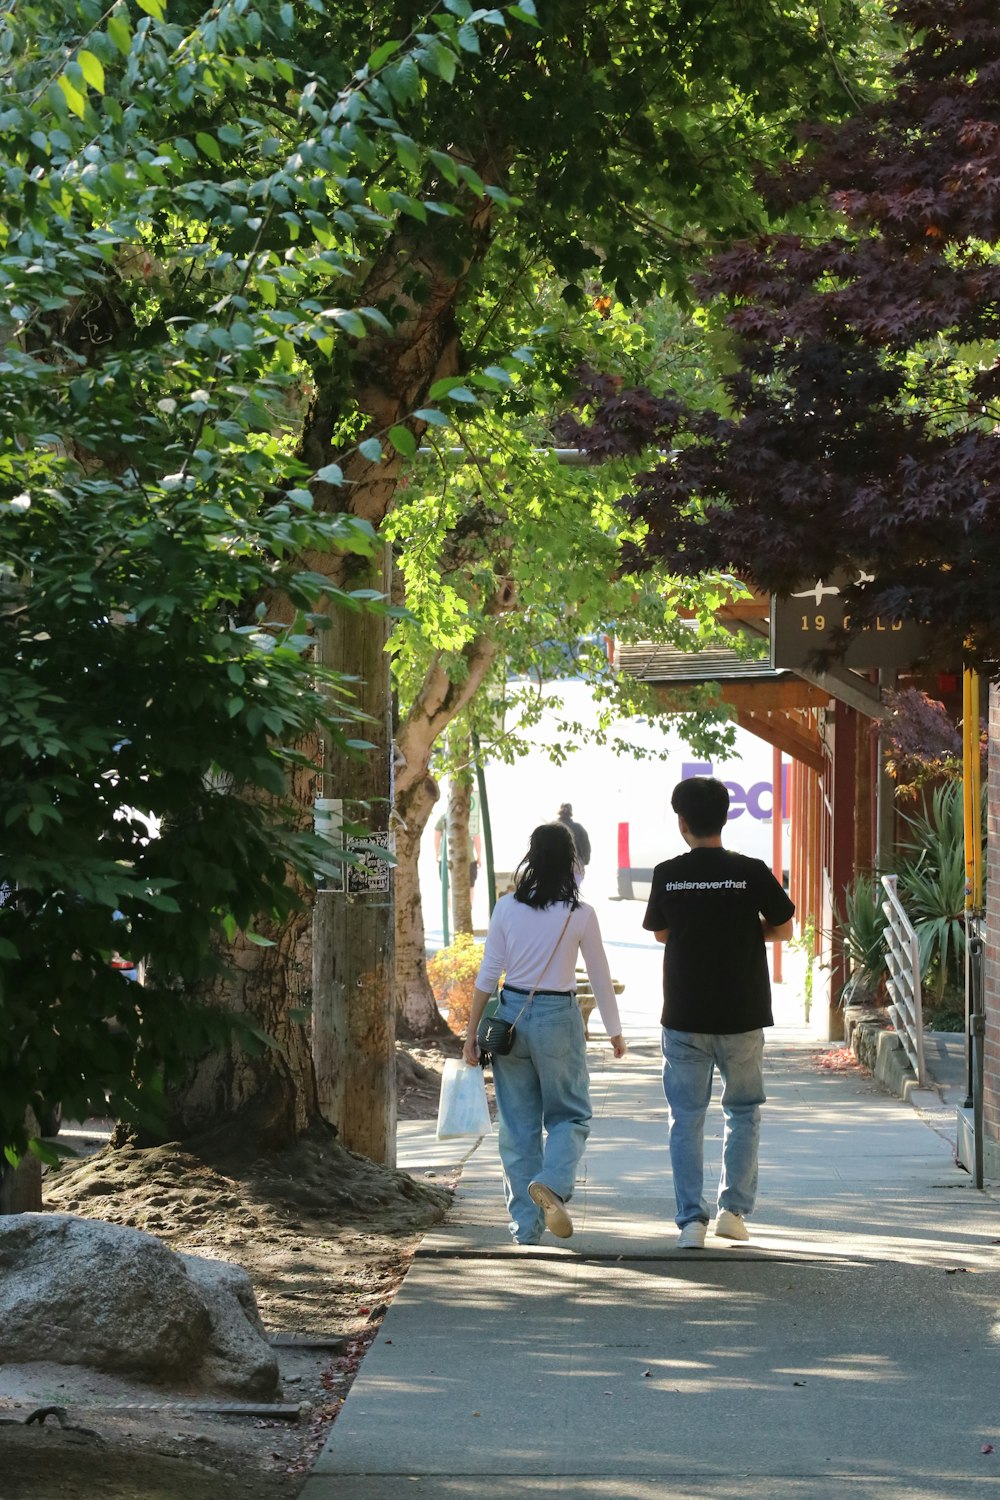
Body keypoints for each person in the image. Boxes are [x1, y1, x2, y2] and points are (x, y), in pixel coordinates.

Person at [642, 776, 794, 1249]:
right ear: (724, 817)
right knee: (744, 1112)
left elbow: (661, 933)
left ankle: (691, 1222)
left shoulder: (668, 873)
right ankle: (733, 1212)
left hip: (685, 1014)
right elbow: (785, 928)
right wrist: (749, 933)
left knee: (686, 1117)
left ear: (683, 823)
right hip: (742, 1014)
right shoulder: (751, 871)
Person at [463, 822, 627, 1244]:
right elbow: (599, 976)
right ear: (571, 862)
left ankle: (526, 1229)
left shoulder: (505, 907)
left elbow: (487, 976)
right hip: (558, 1018)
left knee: (517, 1127)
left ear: (531, 859)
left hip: (509, 1019)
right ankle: (552, 1184)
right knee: (569, 1114)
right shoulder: (581, 914)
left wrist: (469, 1035)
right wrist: (614, 1031)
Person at [556, 802, 591, 881]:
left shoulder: (551, 827)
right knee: (572, 890)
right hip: (576, 864)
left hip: (557, 865)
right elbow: (587, 847)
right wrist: (585, 861)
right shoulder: (579, 827)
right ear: (570, 813)